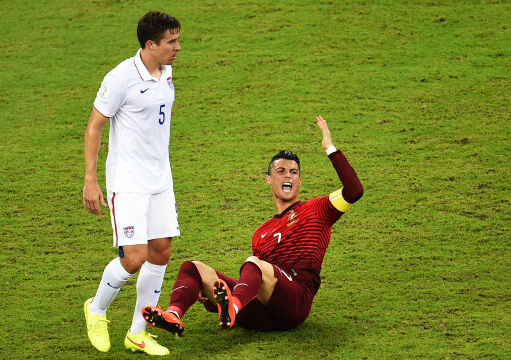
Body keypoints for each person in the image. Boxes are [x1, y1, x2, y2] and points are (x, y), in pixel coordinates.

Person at [141, 115, 363, 335]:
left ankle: (233, 307)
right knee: (193, 267)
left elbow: (354, 190)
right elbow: (256, 283)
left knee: (254, 263)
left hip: (295, 304)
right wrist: (207, 295)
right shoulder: (260, 233)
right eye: (281, 171)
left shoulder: (318, 208)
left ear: (300, 181)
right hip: (258, 314)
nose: (288, 176)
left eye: (294, 172)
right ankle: (174, 314)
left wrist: (330, 147)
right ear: (269, 179)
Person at [82, 10, 182, 356]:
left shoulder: (166, 71)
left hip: (161, 180)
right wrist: (90, 180)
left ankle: (137, 333)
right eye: (171, 42)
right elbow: (95, 126)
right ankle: (96, 310)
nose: (178, 47)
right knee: (136, 255)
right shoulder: (121, 78)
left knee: (161, 252)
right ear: (150, 44)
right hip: (128, 183)